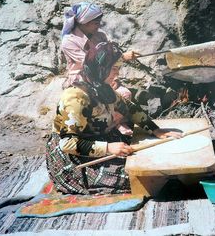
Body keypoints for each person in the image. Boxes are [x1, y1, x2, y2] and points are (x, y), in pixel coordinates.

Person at [46, 40, 182, 194]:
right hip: (76, 153)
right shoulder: (75, 97)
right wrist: (108, 148)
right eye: (114, 69)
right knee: (132, 176)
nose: (117, 74)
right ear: (101, 68)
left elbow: (129, 108)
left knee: (143, 158)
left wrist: (155, 130)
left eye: (118, 68)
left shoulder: (101, 87)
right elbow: (68, 143)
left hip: (100, 137)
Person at [60, 1, 137, 136]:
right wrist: (123, 57)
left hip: (103, 76)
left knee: (124, 94)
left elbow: (108, 61)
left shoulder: (100, 36)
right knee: (99, 102)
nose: (99, 26)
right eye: (96, 23)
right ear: (84, 22)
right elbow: (91, 63)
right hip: (82, 79)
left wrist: (113, 78)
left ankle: (117, 122)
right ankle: (107, 127)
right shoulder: (69, 41)